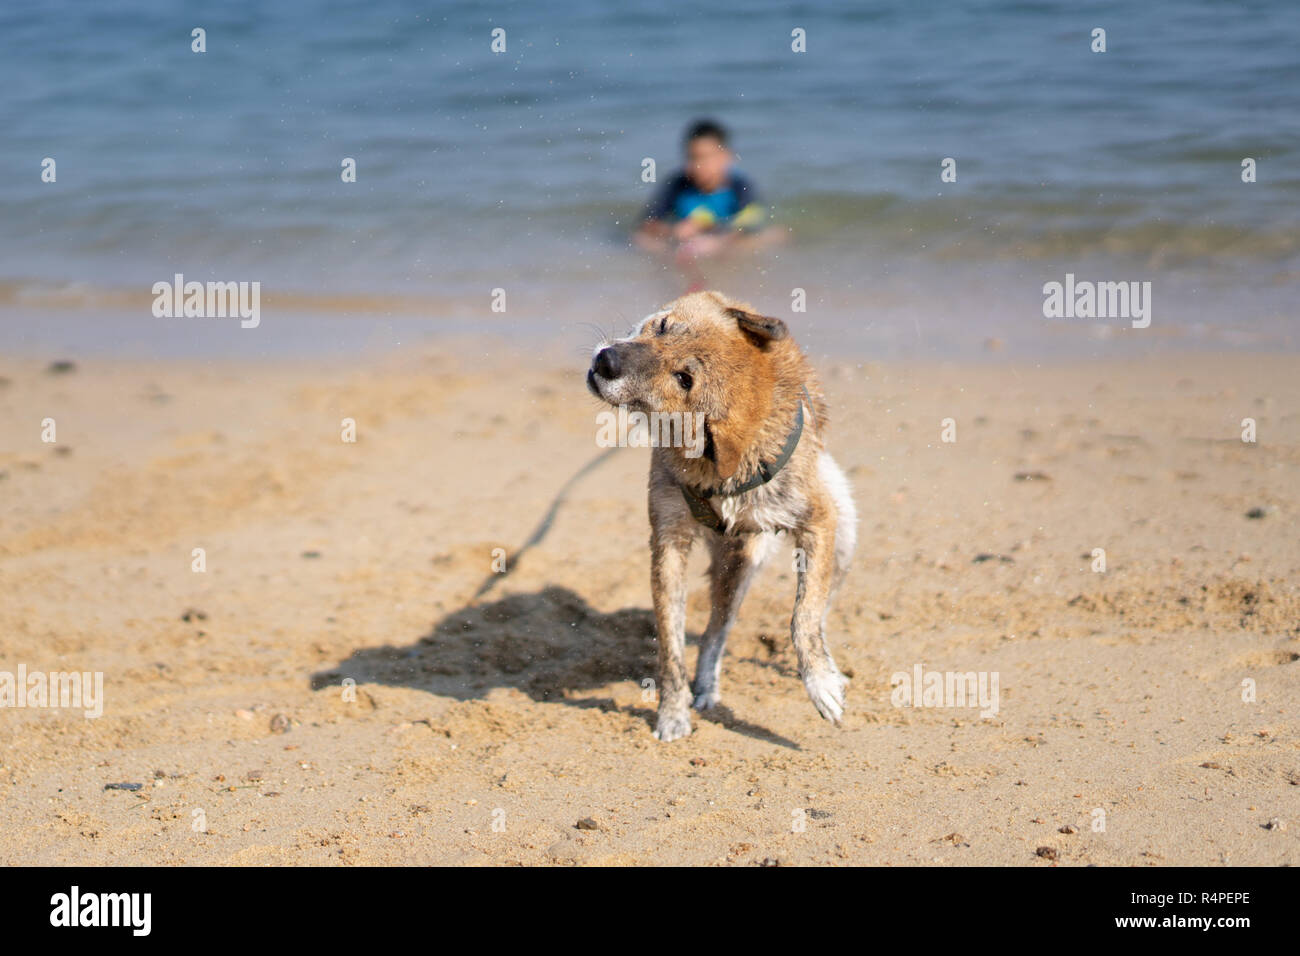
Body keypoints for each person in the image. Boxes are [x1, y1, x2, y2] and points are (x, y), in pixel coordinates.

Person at [634, 119, 779, 264]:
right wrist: (673, 230)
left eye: (706, 157)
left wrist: (716, 235)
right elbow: (648, 223)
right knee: (641, 240)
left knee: (774, 235)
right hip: (683, 242)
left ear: (726, 157)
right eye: (692, 158)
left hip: (722, 240)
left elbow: (752, 222)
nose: (698, 165)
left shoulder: (739, 185)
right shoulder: (677, 184)